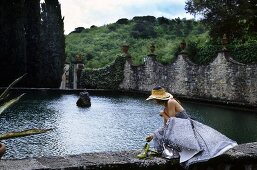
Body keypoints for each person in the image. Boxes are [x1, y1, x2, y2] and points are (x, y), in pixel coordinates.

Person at [145, 86, 237, 167]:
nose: (154, 101)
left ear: (158, 98)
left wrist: (163, 115)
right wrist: (153, 135)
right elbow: (167, 127)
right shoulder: (165, 108)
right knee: (163, 137)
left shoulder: (171, 102)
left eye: (154, 98)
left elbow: (173, 122)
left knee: (203, 151)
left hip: (187, 128)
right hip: (181, 130)